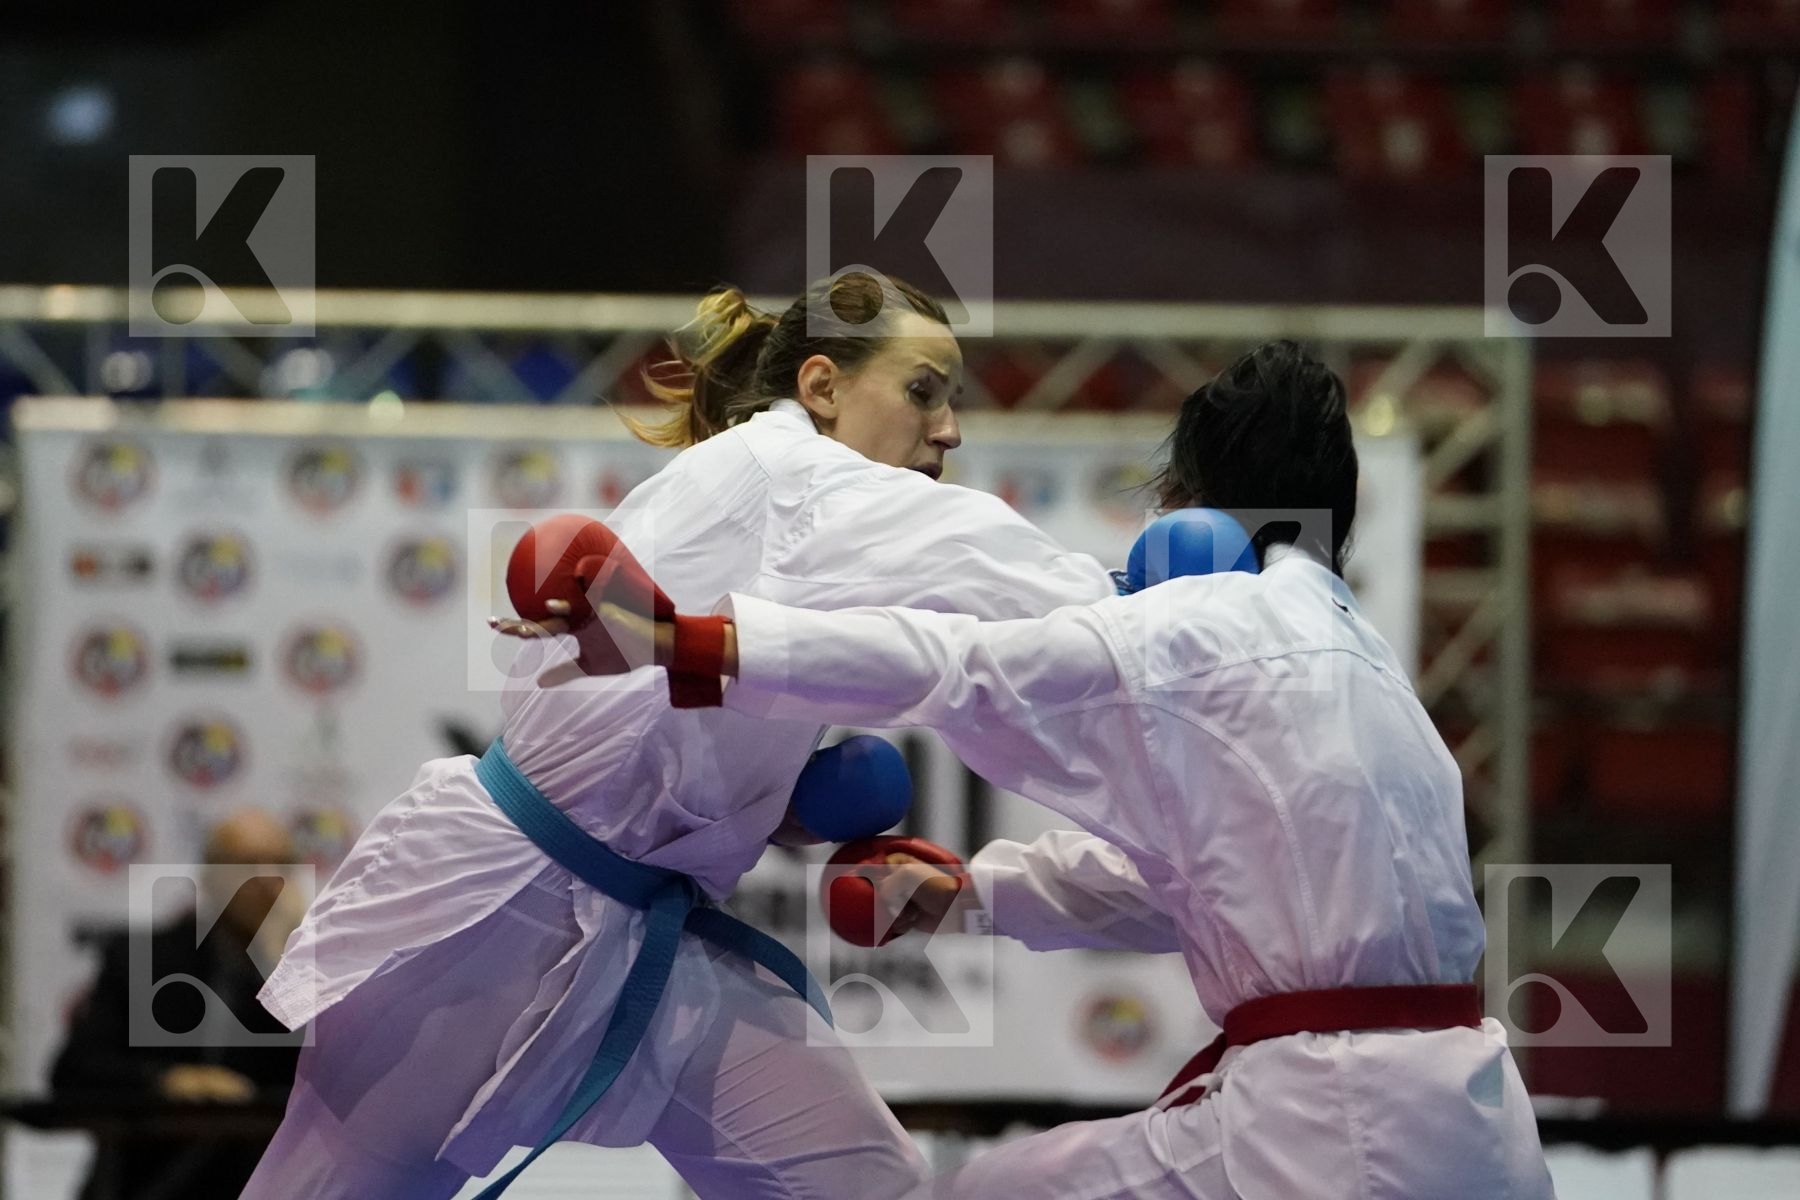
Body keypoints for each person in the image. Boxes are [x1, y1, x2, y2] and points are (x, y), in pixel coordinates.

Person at [554, 341, 1556, 1199]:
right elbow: (1185, 885)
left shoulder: (1210, 621)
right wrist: (969, 894)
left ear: (1191, 516)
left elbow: (953, 660)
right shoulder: (1379, 677)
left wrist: (692, 642)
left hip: (1329, 1128)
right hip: (1476, 1121)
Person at [244, 273, 1116, 1200]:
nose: (948, 430)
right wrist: (1196, 596)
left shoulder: (774, 491)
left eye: (952, 400)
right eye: (922, 391)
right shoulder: (808, 479)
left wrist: (773, 807)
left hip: (654, 941)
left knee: (865, 1184)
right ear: (821, 388)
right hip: (495, 915)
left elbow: (655, 728)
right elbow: (1065, 603)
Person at [53, 809, 305, 1200]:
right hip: (152, 1179)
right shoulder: (144, 961)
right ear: (208, 877)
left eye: (282, 863)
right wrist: (168, 1080)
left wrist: (285, 964)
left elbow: (317, 1079)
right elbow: (75, 1069)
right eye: (247, 864)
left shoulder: (308, 971)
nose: (268, 880)